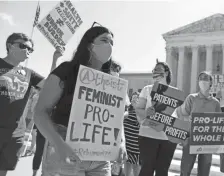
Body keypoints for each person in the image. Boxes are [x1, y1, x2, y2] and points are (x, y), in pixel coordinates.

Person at [34, 25, 126, 176]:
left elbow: (116, 118)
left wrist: (121, 143)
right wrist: (59, 144)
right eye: (104, 40)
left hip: (100, 158)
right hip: (65, 149)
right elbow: (40, 112)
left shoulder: (111, 80)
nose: (109, 45)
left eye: (111, 42)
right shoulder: (66, 71)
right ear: (90, 45)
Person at [0, 33, 44, 176]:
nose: (27, 51)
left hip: (15, 135)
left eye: (30, 49)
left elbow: (52, 85)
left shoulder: (29, 74)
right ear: (10, 46)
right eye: (23, 46)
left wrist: (56, 58)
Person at [175, 71, 221, 176]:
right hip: (191, 138)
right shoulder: (191, 98)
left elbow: (218, 122)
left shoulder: (215, 103)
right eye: (200, 78)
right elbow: (182, 116)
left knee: (204, 171)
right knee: (185, 169)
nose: (203, 80)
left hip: (207, 140)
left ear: (211, 82)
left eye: (206, 78)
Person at [135, 59, 177, 176]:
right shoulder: (147, 89)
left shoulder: (175, 93)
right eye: (154, 70)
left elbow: (178, 116)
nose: (156, 72)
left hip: (168, 139)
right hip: (148, 136)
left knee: (162, 172)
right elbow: (138, 111)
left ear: (167, 73)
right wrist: (147, 112)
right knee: (147, 170)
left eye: (159, 70)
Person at [123, 92, 141, 176]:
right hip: (127, 145)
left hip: (135, 146)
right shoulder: (127, 109)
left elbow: (140, 123)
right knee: (127, 167)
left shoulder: (140, 111)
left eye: (136, 98)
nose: (134, 99)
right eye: (133, 97)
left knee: (136, 169)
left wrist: (136, 107)